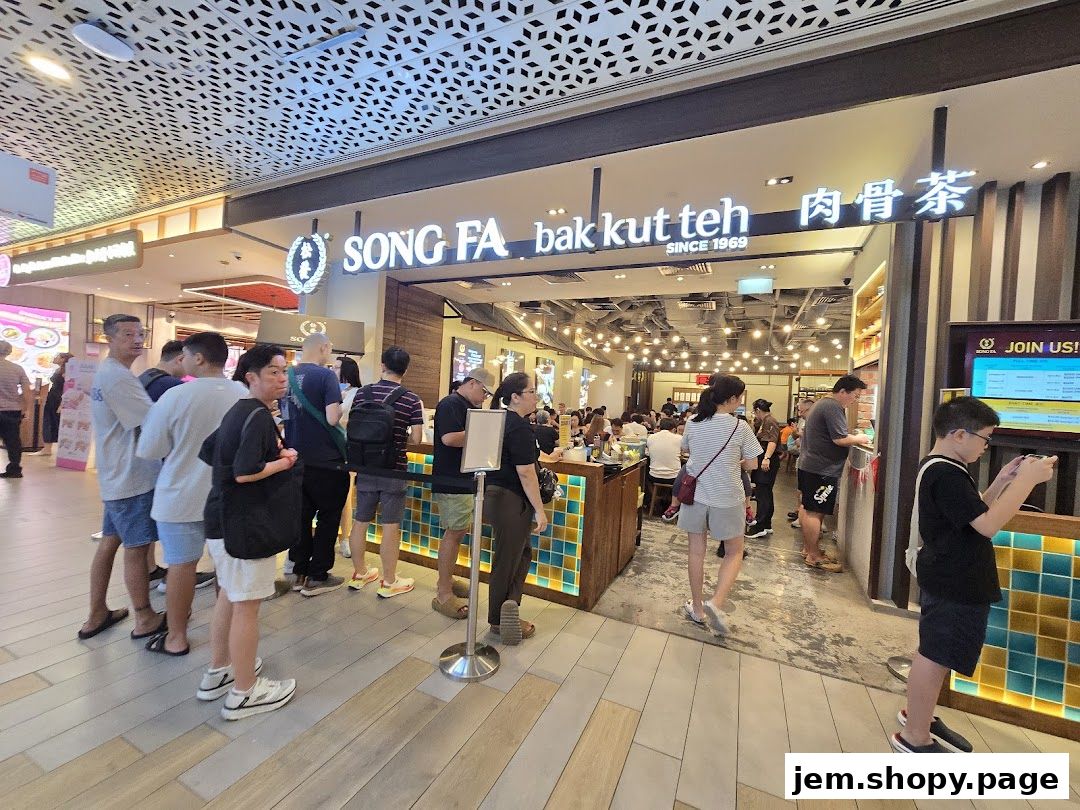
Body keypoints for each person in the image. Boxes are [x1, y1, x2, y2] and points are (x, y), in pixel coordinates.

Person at [893, 397, 1056, 753]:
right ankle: (914, 737)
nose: (986, 446)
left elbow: (973, 511)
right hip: (953, 575)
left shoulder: (944, 466)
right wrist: (1026, 482)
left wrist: (1001, 481)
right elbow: (987, 525)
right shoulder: (946, 472)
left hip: (950, 571)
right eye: (984, 438)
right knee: (936, 653)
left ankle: (920, 716)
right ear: (958, 434)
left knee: (936, 649)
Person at [197, 344, 298, 719]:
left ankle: (219, 670)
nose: (282, 379)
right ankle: (244, 692)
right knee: (247, 607)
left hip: (220, 517)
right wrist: (284, 461)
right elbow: (244, 472)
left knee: (230, 596)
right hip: (244, 523)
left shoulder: (238, 411)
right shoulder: (256, 416)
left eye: (284, 371)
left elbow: (210, 453)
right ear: (250, 376)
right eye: (273, 372)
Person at [136, 333, 244, 656]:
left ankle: (176, 638)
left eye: (184, 355)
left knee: (180, 567)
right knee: (226, 570)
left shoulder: (175, 396)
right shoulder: (244, 395)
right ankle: (224, 640)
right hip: (228, 497)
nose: (180, 361)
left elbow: (150, 448)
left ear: (199, 358)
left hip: (179, 495)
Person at [78, 315, 165, 641]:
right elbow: (153, 423)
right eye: (128, 334)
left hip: (117, 476)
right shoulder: (119, 378)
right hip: (132, 478)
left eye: (140, 333)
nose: (136, 339)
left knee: (111, 544)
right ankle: (144, 617)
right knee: (137, 548)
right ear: (109, 338)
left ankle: (97, 613)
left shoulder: (111, 373)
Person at [679, 375, 762, 636]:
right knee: (734, 551)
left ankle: (698, 609)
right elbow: (752, 465)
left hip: (696, 496)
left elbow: (687, 452)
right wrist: (729, 463)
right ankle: (716, 602)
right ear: (733, 399)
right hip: (728, 497)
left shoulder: (693, 423)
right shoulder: (741, 427)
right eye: (740, 397)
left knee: (696, 552)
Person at [485, 372, 561, 644]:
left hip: (495, 497)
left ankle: (509, 609)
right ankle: (498, 619)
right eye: (532, 392)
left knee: (520, 554)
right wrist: (540, 510)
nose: (536, 397)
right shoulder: (517, 426)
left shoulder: (500, 421)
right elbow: (526, 473)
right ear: (515, 397)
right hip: (510, 499)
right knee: (508, 560)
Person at [347, 346, 424, 597]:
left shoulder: (362, 393)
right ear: (406, 369)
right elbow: (417, 439)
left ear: (382, 365)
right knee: (391, 525)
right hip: (394, 469)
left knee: (361, 520)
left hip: (365, 466)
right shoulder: (411, 399)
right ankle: (389, 580)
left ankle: (360, 573)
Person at [282, 332, 348, 597]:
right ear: (323, 348)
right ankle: (318, 575)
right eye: (330, 348)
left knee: (301, 516)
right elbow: (332, 418)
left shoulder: (286, 376)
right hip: (327, 461)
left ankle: (299, 572)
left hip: (296, 458)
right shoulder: (326, 376)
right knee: (328, 517)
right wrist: (343, 411)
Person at [430, 369, 494, 618]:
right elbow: (449, 439)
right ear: (471, 383)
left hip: (464, 479)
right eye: (484, 392)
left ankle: (448, 579)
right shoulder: (450, 404)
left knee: (459, 531)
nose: (484, 398)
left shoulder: (467, 406)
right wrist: (486, 432)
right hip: (451, 479)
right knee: (454, 533)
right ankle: (443, 592)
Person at [796, 376, 872, 572]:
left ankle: (809, 549)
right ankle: (813, 556)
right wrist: (859, 437)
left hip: (811, 465)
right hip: (821, 469)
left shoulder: (822, 404)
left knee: (808, 508)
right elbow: (839, 439)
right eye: (854, 396)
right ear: (843, 391)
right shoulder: (832, 406)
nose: (854, 401)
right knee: (815, 510)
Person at [337, 356, 362, 558]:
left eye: (337, 367)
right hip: (328, 449)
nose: (333, 371)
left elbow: (345, 420)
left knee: (346, 498)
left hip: (346, 449)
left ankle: (345, 539)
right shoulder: (332, 391)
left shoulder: (356, 394)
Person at [746, 399, 781, 538]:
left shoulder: (769, 421)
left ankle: (760, 525)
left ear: (758, 410)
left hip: (767, 460)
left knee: (763, 493)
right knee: (766, 493)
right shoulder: (764, 421)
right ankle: (766, 524)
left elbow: (772, 441)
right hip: (764, 458)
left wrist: (766, 458)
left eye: (755, 412)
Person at [0, 340, 33, 479]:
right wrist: (27, 409)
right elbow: (27, 391)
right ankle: (14, 469)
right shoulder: (17, 368)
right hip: (12, 410)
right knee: (13, 441)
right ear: (8, 352)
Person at [32, 351, 73, 457]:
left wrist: (62, 403)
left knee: (57, 423)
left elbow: (68, 387)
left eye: (57, 356)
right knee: (48, 421)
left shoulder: (68, 370)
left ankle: (63, 449)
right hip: (52, 398)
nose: (54, 358)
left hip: (58, 399)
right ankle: (47, 448)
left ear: (63, 359)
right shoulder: (59, 369)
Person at [788, 399, 814, 524]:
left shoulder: (814, 422)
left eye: (801, 410)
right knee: (801, 489)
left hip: (811, 462)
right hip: (804, 458)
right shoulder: (804, 421)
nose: (799, 414)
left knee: (806, 490)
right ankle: (800, 513)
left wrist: (798, 433)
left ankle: (806, 519)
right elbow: (798, 440)